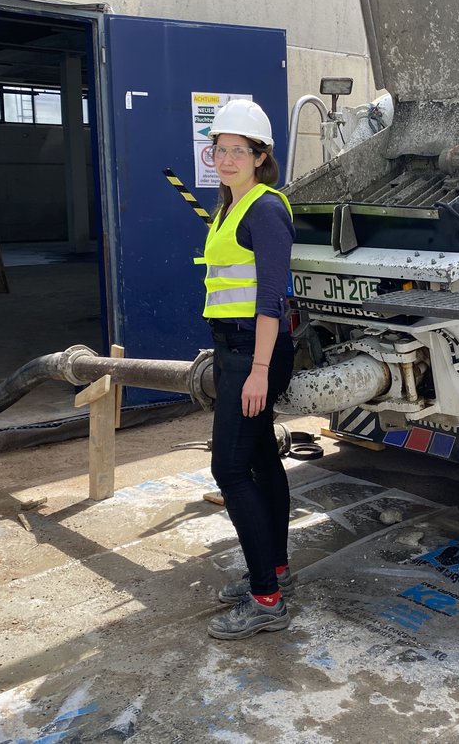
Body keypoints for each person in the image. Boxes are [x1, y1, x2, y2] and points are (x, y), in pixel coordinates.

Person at [197, 98, 297, 640]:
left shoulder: (264, 207)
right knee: (259, 462)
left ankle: (266, 599)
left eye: (239, 150)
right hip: (234, 349)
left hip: (253, 354)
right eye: (220, 149)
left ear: (261, 157)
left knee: (229, 471)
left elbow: (270, 300)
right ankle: (274, 568)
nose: (227, 157)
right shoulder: (229, 207)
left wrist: (258, 371)